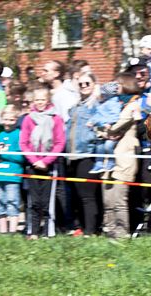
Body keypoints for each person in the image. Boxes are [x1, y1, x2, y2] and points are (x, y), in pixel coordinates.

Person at [18, 83, 66, 239]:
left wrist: (46, 161)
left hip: (50, 166)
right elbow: (23, 143)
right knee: (34, 201)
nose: (39, 102)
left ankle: (48, 232)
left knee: (47, 201)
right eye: (37, 99)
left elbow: (60, 143)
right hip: (32, 165)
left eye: (42, 99)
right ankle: (33, 231)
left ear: (48, 100)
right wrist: (34, 161)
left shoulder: (56, 119)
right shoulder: (28, 119)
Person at [102, 78, 143, 239]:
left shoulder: (133, 105)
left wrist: (105, 130)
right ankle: (110, 230)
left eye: (118, 85)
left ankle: (122, 233)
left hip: (125, 158)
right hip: (111, 159)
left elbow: (118, 125)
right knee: (108, 199)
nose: (115, 88)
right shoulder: (116, 104)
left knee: (119, 199)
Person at [64, 72, 102, 236]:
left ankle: (91, 231)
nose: (84, 86)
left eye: (87, 83)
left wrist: (90, 139)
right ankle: (82, 227)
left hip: (87, 154)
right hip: (72, 156)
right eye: (81, 84)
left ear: (94, 84)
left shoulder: (97, 106)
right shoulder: (75, 107)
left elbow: (100, 128)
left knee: (88, 196)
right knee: (78, 195)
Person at [88, 75, 137, 174]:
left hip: (123, 158)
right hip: (109, 144)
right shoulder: (108, 103)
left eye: (117, 84)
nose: (115, 87)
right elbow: (99, 115)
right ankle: (100, 163)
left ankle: (108, 162)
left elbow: (119, 123)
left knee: (107, 146)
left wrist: (107, 127)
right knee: (101, 146)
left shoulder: (131, 103)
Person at [0, 105, 24, 234]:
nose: (8, 123)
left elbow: (21, 157)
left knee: (12, 201)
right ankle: (3, 230)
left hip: (12, 176)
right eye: (5, 119)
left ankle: (12, 231)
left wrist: (4, 153)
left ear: (16, 120)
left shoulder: (19, 134)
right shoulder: (0, 135)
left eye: (11, 120)